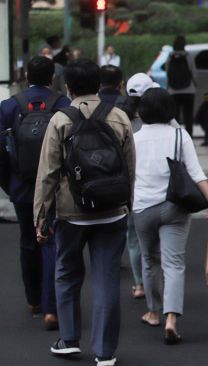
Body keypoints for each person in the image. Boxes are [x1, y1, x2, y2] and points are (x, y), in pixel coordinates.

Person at [33, 59, 135, 366]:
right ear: (100, 83)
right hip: (112, 211)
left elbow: (48, 173)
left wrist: (41, 215)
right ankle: (105, 352)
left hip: (71, 213)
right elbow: (130, 168)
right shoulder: (119, 116)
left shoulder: (60, 119)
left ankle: (69, 339)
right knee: (106, 280)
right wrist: (125, 203)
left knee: (66, 272)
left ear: (68, 87)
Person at [132, 88, 208, 343]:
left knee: (150, 260)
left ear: (142, 111)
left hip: (142, 208)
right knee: (174, 263)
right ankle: (171, 318)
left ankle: (152, 311)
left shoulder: (133, 138)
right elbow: (196, 173)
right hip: (175, 207)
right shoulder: (180, 136)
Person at [0, 56, 70, 330]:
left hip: (22, 188)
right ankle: (51, 308)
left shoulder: (8, 107)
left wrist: (11, 187)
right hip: (54, 188)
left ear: (26, 75)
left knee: (28, 241)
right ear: (53, 77)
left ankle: (33, 300)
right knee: (52, 243)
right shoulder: (63, 105)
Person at [119, 73, 161, 300]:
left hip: (131, 187)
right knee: (159, 240)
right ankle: (157, 283)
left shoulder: (121, 118)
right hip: (158, 185)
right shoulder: (157, 115)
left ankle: (139, 285)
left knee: (134, 238)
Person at [166, 36, 202, 142]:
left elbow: (168, 72)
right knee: (188, 116)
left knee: (175, 116)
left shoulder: (170, 57)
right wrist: (195, 83)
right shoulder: (188, 56)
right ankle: (189, 137)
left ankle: (176, 137)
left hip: (173, 91)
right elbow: (193, 72)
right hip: (188, 90)